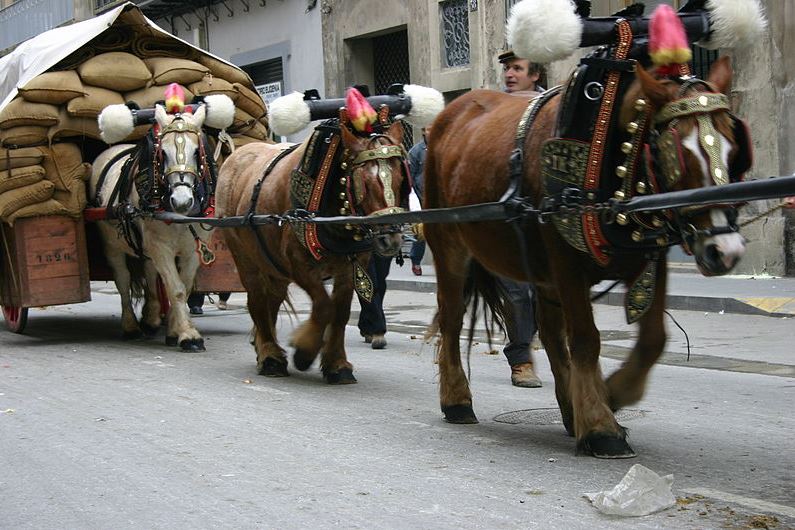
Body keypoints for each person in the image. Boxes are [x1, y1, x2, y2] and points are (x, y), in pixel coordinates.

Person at [497, 49, 544, 388]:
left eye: (517, 68)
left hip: (544, 220)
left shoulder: (553, 108)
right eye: (507, 69)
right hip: (505, 222)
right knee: (516, 292)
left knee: (546, 292)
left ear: (535, 74)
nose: (509, 74)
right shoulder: (497, 112)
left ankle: (530, 336)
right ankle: (521, 358)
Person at [357, 254, 392, 349]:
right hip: (359, 242)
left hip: (382, 241)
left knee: (380, 282)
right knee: (366, 281)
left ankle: (366, 324)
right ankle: (378, 330)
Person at [407, 127, 429, 275]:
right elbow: (411, 177)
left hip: (438, 197)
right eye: (429, 129)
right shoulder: (416, 151)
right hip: (421, 198)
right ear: (423, 131)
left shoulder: (441, 146)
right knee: (421, 233)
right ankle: (416, 261)